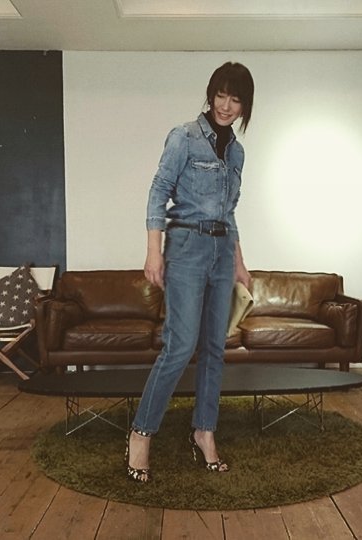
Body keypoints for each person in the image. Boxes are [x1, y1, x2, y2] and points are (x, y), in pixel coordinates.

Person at [125, 61, 254, 483]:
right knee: (180, 347)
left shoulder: (237, 152)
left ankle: (204, 431)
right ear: (210, 95)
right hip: (185, 246)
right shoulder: (184, 136)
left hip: (222, 250)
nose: (226, 105)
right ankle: (141, 433)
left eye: (236, 99)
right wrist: (154, 252)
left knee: (215, 347)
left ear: (245, 105)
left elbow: (229, 212)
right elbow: (158, 191)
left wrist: (239, 263)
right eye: (221, 95)